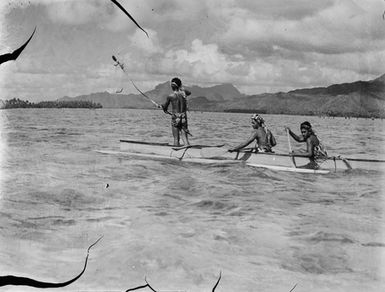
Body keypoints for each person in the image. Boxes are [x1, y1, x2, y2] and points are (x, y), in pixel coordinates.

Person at [160, 77, 191, 146]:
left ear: (172, 86)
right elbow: (189, 93)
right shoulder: (184, 94)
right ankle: (187, 150)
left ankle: (176, 153)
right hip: (183, 118)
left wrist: (162, 107)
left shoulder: (170, 96)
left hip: (175, 118)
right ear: (180, 85)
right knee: (185, 138)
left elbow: (165, 107)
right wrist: (182, 88)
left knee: (176, 138)